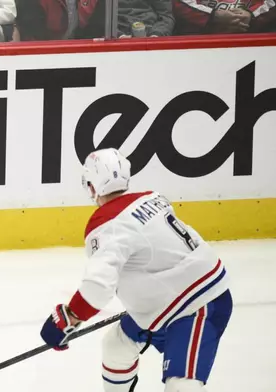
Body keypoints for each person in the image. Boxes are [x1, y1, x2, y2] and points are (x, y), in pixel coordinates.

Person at [40, 148, 232, 391]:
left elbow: (98, 287)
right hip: (167, 303)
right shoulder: (151, 198)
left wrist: (68, 318)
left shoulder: (108, 223)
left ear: (91, 186)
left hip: (196, 306)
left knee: (181, 386)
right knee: (116, 346)